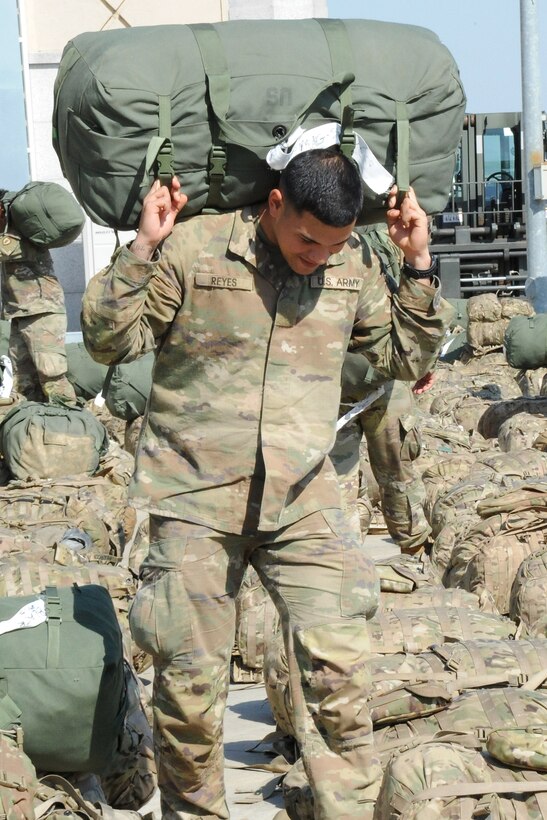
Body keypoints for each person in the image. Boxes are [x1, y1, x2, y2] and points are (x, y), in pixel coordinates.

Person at [81, 148, 453, 820]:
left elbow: (403, 356)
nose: (317, 256)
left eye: (331, 244)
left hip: (303, 498)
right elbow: (109, 341)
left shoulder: (357, 262)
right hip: (194, 497)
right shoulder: (195, 248)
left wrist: (416, 262)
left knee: (340, 680)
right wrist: (142, 244)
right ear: (275, 204)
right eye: (306, 239)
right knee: (189, 698)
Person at [332, 227, 437, 555]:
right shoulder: (388, 233)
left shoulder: (314, 228)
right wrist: (420, 364)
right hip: (382, 376)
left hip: (334, 380)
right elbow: (411, 303)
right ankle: (413, 559)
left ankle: (344, 566)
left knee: (340, 483)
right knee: (398, 477)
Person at [0, 189, 77, 404]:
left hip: (42, 312)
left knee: (52, 377)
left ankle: (69, 427)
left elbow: (5, 250)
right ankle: (33, 429)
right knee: (22, 381)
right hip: (20, 313)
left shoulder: (25, 235)